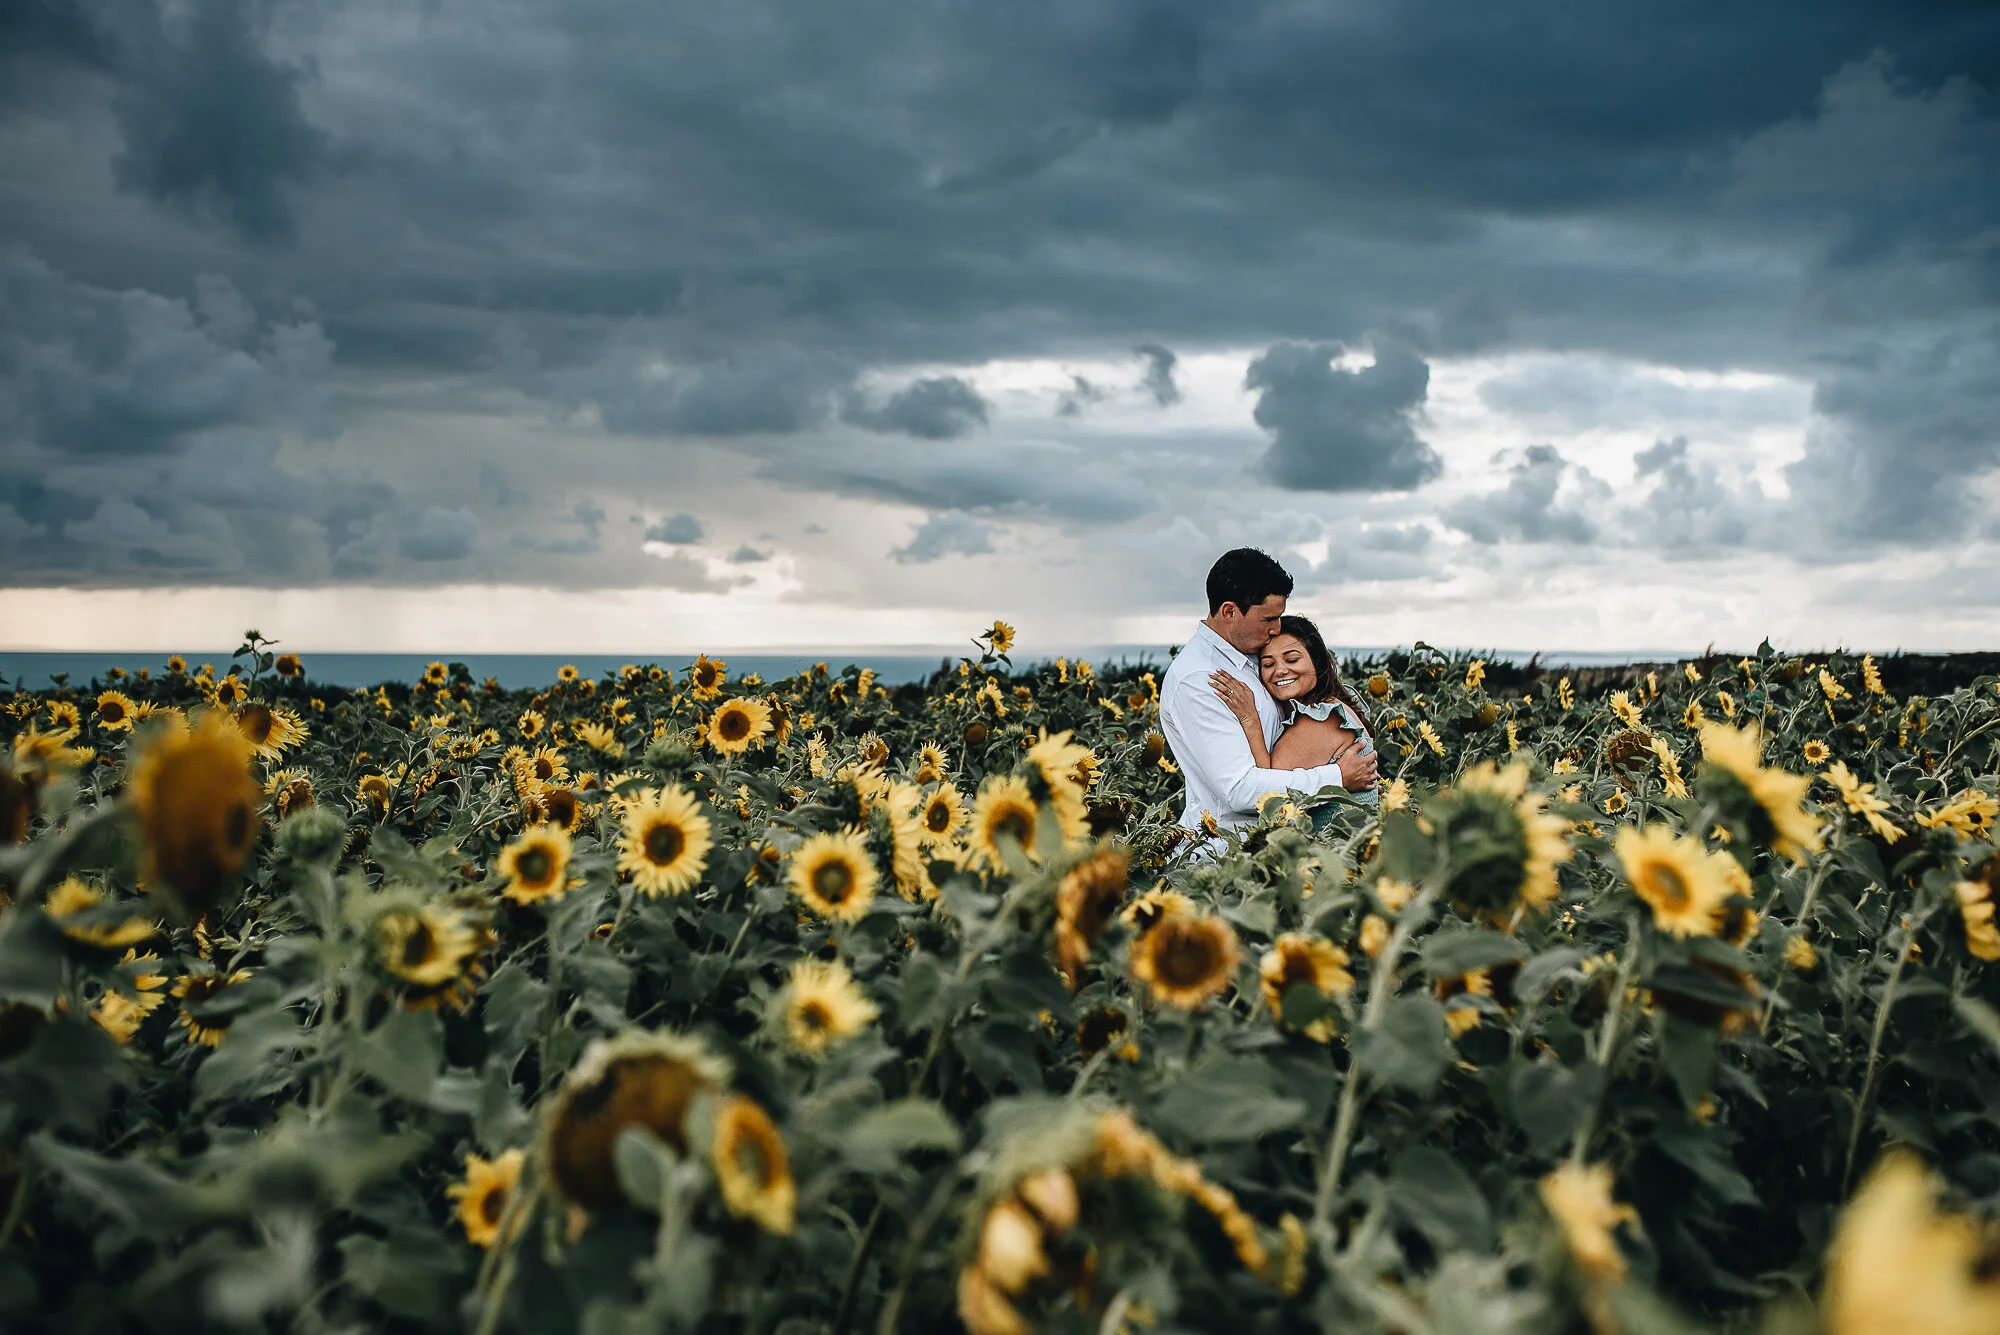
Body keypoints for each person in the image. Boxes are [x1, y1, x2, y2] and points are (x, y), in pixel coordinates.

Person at [1158, 548, 1378, 839]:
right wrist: (1337, 777)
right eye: (1268, 619)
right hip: (1230, 848)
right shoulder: (1200, 679)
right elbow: (1240, 789)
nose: (1276, 629)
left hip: (1284, 841)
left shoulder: (1252, 653)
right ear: (1230, 612)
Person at [1207, 614, 1378, 819]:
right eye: (1268, 664)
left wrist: (1249, 719)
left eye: (1292, 660)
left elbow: (1270, 798)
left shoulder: (1320, 718)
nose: (1280, 670)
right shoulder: (1331, 703)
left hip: (1337, 839)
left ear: (1317, 662)